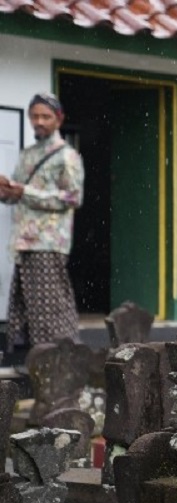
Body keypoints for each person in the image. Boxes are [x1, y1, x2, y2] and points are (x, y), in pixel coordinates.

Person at [0, 92, 84, 355]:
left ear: (59, 119)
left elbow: (73, 197)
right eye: (35, 116)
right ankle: (32, 360)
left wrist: (26, 192)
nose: (39, 121)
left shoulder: (67, 156)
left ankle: (63, 358)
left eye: (46, 116)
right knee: (25, 306)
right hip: (24, 241)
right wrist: (7, 191)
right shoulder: (27, 155)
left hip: (48, 242)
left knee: (51, 307)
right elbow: (18, 195)